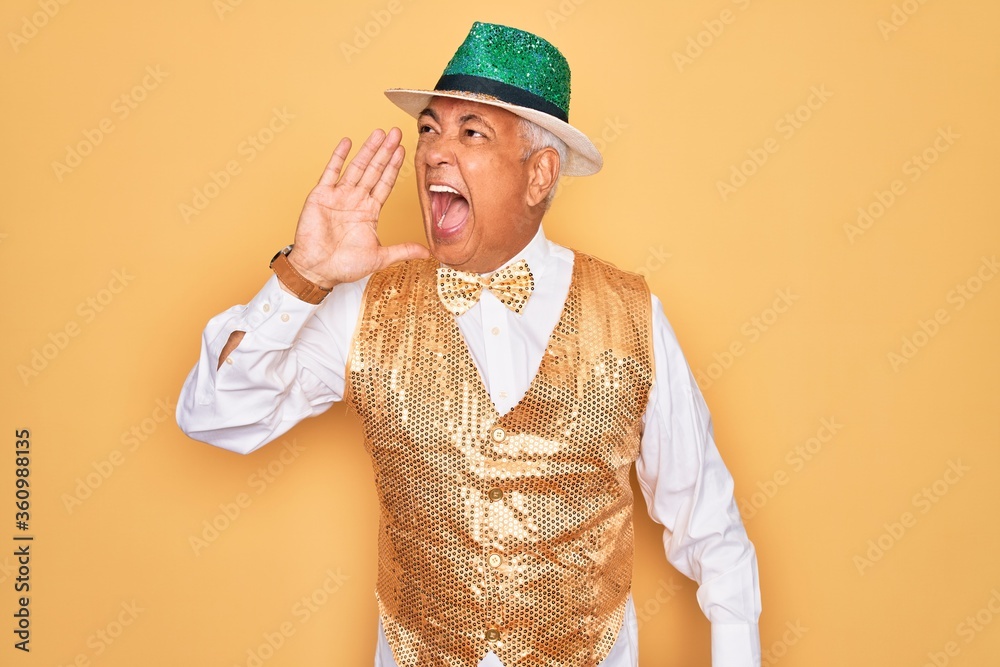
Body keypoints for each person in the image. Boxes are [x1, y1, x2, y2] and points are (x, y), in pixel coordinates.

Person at [177, 21, 761, 667]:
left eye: (470, 132)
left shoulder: (630, 312)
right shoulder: (361, 303)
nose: (433, 151)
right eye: (429, 128)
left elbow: (708, 522)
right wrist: (302, 278)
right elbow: (214, 416)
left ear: (539, 174)